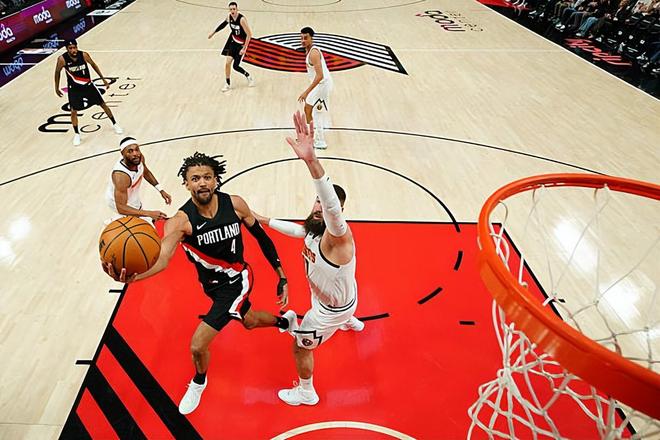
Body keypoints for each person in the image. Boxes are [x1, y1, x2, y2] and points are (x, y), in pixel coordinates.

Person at [104, 152, 291, 415]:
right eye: (195, 178)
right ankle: (285, 322)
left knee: (197, 345)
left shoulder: (235, 205)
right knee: (248, 321)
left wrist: (281, 275)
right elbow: (162, 258)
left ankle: (199, 382)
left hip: (237, 281)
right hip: (211, 285)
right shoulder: (180, 222)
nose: (202, 182)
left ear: (216, 180)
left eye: (207, 177)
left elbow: (262, 237)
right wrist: (135, 277)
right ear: (186, 183)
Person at [252, 112, 363, 406]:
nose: (318, 207)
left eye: (323, 204)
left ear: (336, 212)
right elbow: (297, 231)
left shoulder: (338, 238)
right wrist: (263, 219)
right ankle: (349, 320)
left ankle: (306, 392)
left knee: (301, 347)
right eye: (316, 202)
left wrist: (312, 162)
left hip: (328, 311)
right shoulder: (314, 229)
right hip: (343, 298)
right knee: (342, 296)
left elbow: (331, 207)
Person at [54, 39, 123, 146]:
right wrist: (56, 87)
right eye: (70, 48)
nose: (73, 50)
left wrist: (103, 79)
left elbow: (94, 65)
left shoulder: (84, 55)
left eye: (75, 47)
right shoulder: (62, 59)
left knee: (103, 104)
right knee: (73, 111)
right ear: (66, 49)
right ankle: (77, 134)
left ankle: (115, 124)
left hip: (88, 86)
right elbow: (57, 72)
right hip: (74, 89)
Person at [105, 137, 172, 223]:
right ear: (122, 154)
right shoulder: (121, 176)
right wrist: (149, 213)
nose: (135, 154)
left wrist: (161, 190)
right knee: (135, 223)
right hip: (118, 202)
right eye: (130, 151)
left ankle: (117, 220)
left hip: (131, 195)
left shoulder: (139, 158)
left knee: (140, 217)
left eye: (137, 149)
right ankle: (114, 221)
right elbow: (121, 207)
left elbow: (146, 172)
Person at [298, 27, 333, 150]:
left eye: (306, 38)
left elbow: (320, 75)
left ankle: (320, 141)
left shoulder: (313, 53)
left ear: (311, 38)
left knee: (317, 113)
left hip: (323, 85)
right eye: (301, 38)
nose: (303, 40)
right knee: (307, 108)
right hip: (319, 85)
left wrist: (306, 92)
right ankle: (311, 135)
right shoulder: (308, 51)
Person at [208, 1, 254, 92]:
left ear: (237, 9)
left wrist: (244, 48)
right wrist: (213, 33)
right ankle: (227, 83)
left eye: (234, 9)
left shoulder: (242, 20)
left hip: (241, 45)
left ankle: (248, 76)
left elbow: (249, 35)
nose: (232, 11)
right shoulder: (229, 17)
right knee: (227, 63)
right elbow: (222, 25)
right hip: (232, 43)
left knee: (235, 66)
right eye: (231, 9)